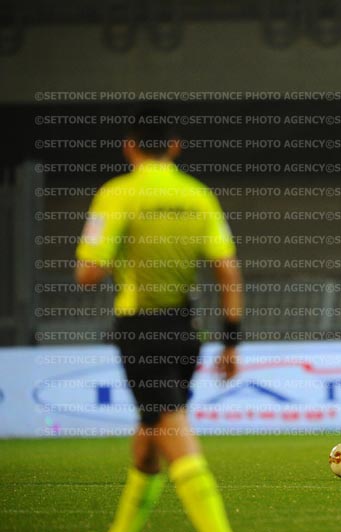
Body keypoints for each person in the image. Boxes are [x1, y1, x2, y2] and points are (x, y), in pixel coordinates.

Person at [75, 112, 243, 532]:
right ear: (174, 146)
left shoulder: (117, 194)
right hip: (185, 330)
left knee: (171, 428)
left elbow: (88, 273)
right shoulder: (198, 195)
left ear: (129, 146)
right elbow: (227, 271)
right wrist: (231, 341)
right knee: (149, 436)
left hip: (141, 329)